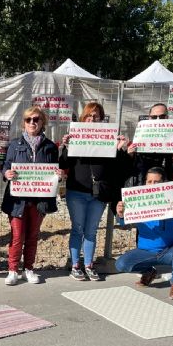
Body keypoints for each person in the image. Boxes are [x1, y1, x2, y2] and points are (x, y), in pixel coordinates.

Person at [60, 102, 134, 281]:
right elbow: (63, 164)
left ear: (102, 119)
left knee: (91, 230)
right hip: (77, 192)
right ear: (84, 118)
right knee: (78, 229)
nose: (92, 119)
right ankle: (76, 265)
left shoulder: (107, 139)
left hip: (98, 194)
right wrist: (67, 147)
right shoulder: (75, 137)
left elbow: (121, 170)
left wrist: (121, 150)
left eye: (96, 116)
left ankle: (89, 265)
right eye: (89, 116)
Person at [1, 106, 64, 285]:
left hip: (39, 200)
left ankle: (28, 269)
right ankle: (12, 270)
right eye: (29, 120)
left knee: (32, 236)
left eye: (36, 119)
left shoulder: (50, 147)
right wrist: (7, 174)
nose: (32, 123)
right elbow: (6, 165)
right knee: (17, 236)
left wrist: (58, 176)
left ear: (42, 122)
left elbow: (54, 172)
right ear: (24, 123)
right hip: (17, 200)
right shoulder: (15, 144)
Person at [115, 167, 173, 300]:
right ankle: (149, 272)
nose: (152, 185)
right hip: (146, 251)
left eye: (156, 182)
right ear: (145, 182)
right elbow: (123, 223)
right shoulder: (137, 200)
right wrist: (121, 214)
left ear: (164, 183)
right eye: (149, 181)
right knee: (121, 264)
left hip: (170, 250)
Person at [134, 103, 173, 185]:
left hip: (164, 186)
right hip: (143, 186)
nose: (158, 120)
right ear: (149, 118)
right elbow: (133, 167)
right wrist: (129, 155)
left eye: (161, 117)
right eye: (154, 117)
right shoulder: (140, 137)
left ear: (167, 117)